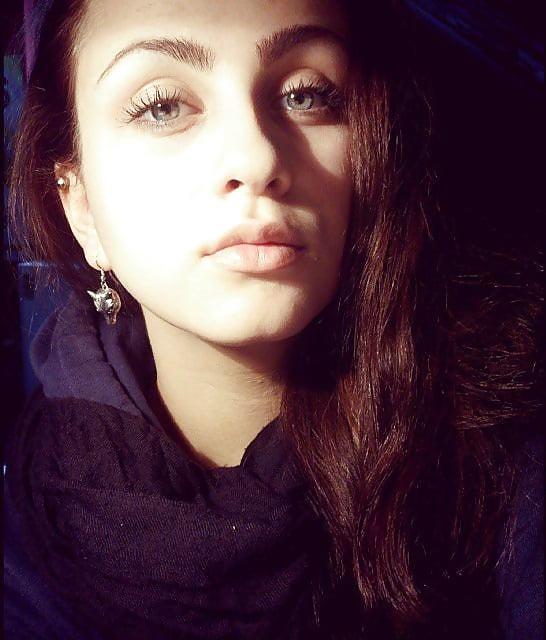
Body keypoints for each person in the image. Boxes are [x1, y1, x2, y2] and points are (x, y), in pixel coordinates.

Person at [4, 0, 543, 639]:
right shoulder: (28, 529)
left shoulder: (502, 451)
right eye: (162, 106)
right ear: (80, 206)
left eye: (307, 95)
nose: (256, 158)